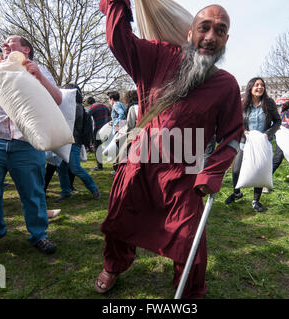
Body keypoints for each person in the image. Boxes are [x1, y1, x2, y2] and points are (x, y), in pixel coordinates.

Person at [95, 1, 243, 298]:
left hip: (184, 173)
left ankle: (188, 292)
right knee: (119, 223)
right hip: (138, 162)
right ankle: (113, 266)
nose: (211, 36)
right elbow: (119, 41)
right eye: (204, 27)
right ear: (190, 33)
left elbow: (231, 136)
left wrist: (212, 173)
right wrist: (118, 4)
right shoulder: (159, 56)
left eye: (220, 31)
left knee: (190, 239)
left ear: (226, 40)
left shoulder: (226, 85)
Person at [0, 35, 62, 257]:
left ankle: (39, 235)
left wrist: (40, 79)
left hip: (26, 142)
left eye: (11, 41)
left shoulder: (39, 70)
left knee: (33, 193)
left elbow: (58, 99)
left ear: (26, 49)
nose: (5, 44)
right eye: (4, 42)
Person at [224, 77, 281, 212]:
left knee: (259, 171)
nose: (260, 87)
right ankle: (237, 193)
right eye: (257, 85)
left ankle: (256, 201)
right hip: (245, 142)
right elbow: (235, 122)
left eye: (262, 85)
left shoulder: (269, 103)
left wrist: (268, 133)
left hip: (262, 143)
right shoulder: (243, 103)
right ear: (250, 87)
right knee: (236, 169)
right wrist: (243, 132)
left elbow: (278, 121)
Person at [55, 84, 101, 202]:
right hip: (65, 140)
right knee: (61, 168)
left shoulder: (76, 107)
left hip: (73, 142)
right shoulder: (72, 106)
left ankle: (94, 188)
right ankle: (65, 192)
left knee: (75, 168)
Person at [86, 97, 111, 171]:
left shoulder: (92, 108)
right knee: (108, 145)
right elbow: (109, 115)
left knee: (97, 147)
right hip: (106, 128)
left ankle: (99, 166)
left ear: (89, 104)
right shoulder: (104, 106)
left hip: (98, 129)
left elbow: (86, 116)